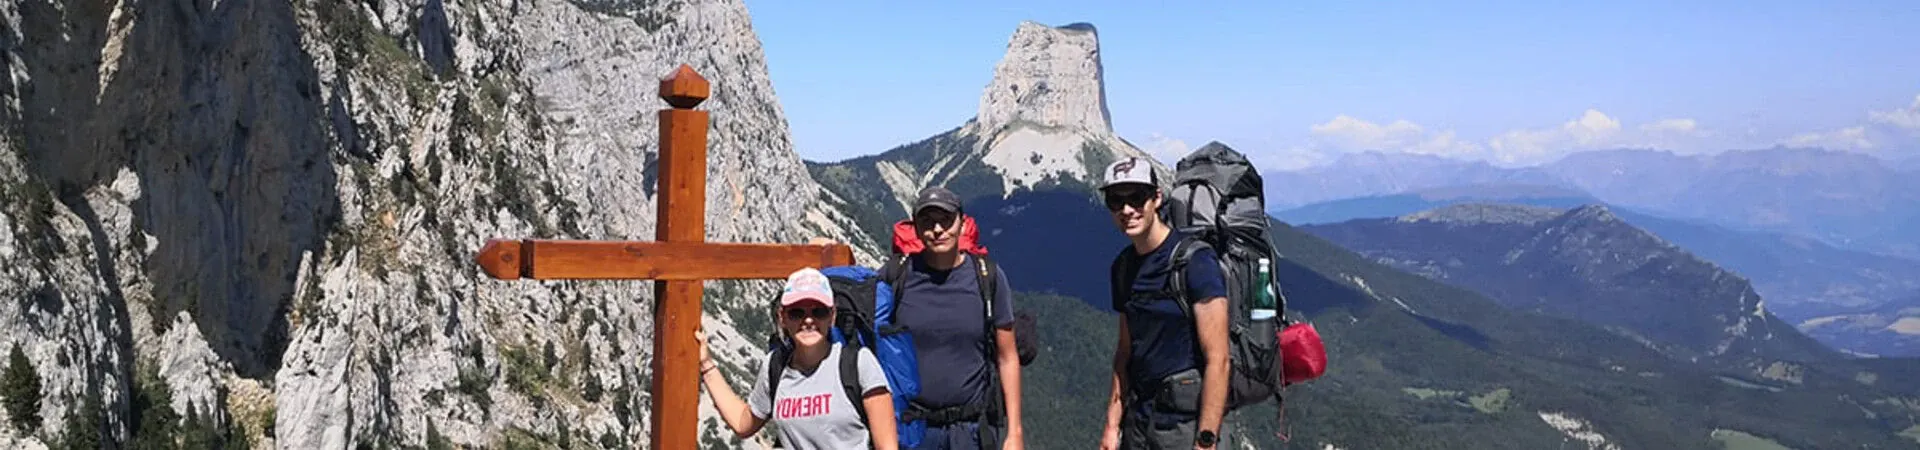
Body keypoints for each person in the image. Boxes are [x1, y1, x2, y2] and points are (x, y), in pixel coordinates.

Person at [1096, 157, 1235, 450]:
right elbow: (1125, 353)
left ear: (1156, 198)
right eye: (1115, 201)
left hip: (1185, 427)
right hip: (1139, 424)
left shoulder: (1195, 261)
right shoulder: (1122, 268)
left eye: (1137, 197)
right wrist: (1111, 425)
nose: (1127, 210)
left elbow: (1219, 359)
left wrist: (1206, 440)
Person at [697, 267, 899, 450]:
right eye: (797, 313)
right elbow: (743, 422)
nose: (808, 320)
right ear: (782, 317)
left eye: (818, 311)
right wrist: (706, 365)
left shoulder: (858, 364)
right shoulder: (775, 365)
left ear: (832, 316)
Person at [890, 186, 1026, 450]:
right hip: (913, 429)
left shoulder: (988, 278)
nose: (937, 230)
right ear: (916, 229)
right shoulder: (897, 276)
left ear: (962, 224)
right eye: (927, 222)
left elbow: (1007, 356)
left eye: (946, 220)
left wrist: (1015, 431)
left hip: (972, 428)